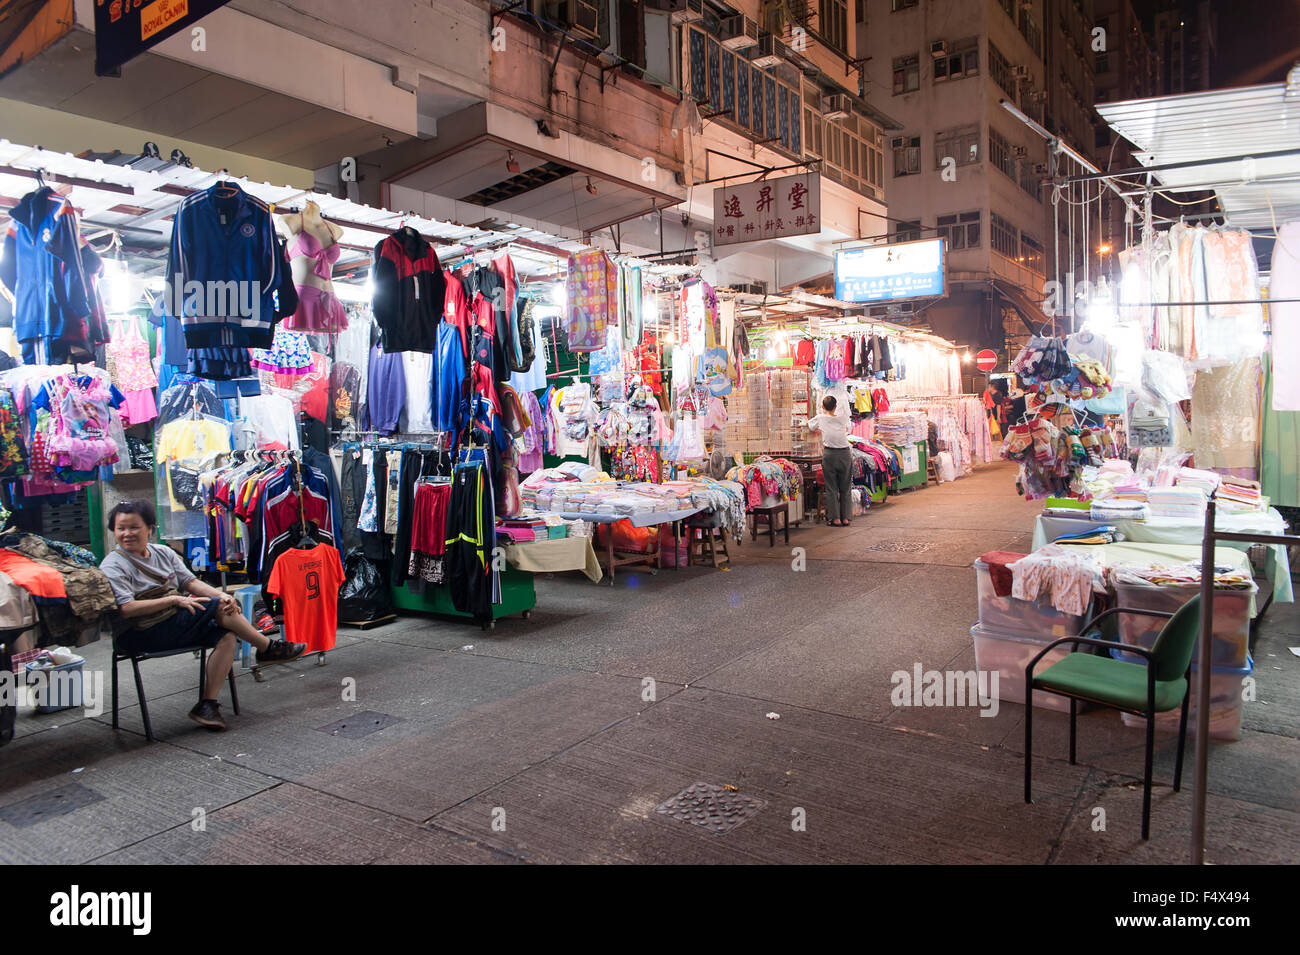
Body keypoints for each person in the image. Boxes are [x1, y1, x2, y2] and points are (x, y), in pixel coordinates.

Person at [99, 500, 307, 731]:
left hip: (168, 622)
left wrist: (224, 596)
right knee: (218, 607)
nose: (127, 534)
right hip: (137, 633)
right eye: (121, 528)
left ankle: (207, 705)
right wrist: (175, 599)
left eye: (134, 527)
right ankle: (267, 648)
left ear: (150, 528)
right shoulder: (113, 564)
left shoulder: (163, 552)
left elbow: (190, 582)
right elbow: (126, 608)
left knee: (226, 635)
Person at [806, 394, 853, 526]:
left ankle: (835, 519)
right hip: (845, 454)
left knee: (831, 487)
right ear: (835, 407)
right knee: (845, 487)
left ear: (822, 406)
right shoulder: (843, 417)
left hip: (830, 454)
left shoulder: (820, 418)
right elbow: (848, 428)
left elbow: (809, 426)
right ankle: (846, 518)